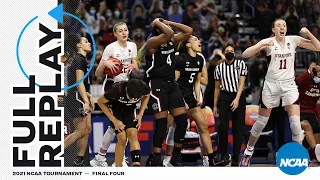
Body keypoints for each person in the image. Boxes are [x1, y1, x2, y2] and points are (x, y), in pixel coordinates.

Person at [240, 19, 320, 166]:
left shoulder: (293, 40)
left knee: (296, 125)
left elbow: (318, 47)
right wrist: (262, 45)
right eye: (279, 25)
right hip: (271, 86)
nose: (282, 27)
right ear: (273, 29)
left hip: (289, 85)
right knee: (261, 123)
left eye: (284, 25)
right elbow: (245, 54)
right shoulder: (269, 42)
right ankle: (248, 152)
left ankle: (298, 157)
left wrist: (308, 33)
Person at [138, 18, 193, 166]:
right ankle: (155, 157)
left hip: (171, 84)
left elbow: (189, 31)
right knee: (162, 125)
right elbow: (168, 33)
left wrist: (170, 22)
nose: (168, 26)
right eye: (165, 25)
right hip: (156, 84)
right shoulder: (152, 42)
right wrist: (156, 21)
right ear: (157, 28)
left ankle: (176, 156)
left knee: (182, 122)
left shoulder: (172, 39)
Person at [163, 35, 224, 167]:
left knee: (203, 125)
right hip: (176, 94)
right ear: (188, 45)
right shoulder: (179, 58)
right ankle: (167, 159)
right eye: (196, 40)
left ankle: (210, 159)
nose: (199, 41)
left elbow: (197, 80)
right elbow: (174, 81)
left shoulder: (199, 59)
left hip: (190, 96)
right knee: (171, 127)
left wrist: (198, 97)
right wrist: (180, 100)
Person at [90, 22, 138, 167]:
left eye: (126, 30)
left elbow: (135, 66)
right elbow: (97, 74)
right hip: (111, 86)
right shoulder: (110, 48)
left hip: (126, 87)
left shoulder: (132, 46)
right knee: (118, 126)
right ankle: (118, 159)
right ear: (115, 34)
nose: (124, 33)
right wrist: (106, 64)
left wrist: (134, 66)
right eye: (121, 31)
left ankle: (100, 157)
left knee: (117, 126)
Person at [97, 79, 150, 166]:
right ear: (126, 91)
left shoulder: (144, 87)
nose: (133, 99)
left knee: (133, 134)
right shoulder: (115, 90)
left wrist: (140, 114)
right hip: (115, 109)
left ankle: (136, 168)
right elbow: (100, 102)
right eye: (131, 98)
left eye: (135, 99)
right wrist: (115, 121)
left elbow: (147, 96)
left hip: (129, 110)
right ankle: (118, 167)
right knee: (122, 138)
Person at [213, 42, 247, 166]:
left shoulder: (241, 64)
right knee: (223, 128)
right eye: (227, 50)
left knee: (238, 129)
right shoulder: (219, 68)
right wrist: (215, 105)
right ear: (224, 52)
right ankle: (223, 153)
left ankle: (236, 156)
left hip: (239, 96)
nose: (229, 52)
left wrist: (237, 99)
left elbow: (241, 84)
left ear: (234, 53)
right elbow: (216, 88)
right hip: (224, 97)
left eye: (231, 51)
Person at [64, 34, 94, 166]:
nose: (89, 44)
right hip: (75, 96)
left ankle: (79, 160)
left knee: (87, 129)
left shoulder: (81, 59)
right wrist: (86, 101)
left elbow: (81, 83)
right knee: (81, 130)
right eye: (86, 41)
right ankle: (55, 151)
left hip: (80, 95)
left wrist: (89, 96)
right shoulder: (78, 59)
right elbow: (78, 82)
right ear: (79, 45)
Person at [296, 62, 320, 162]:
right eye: (318, 73)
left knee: (316, 130)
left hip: (312, 113)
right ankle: (315, 151)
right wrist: (308, 71)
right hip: (299, 112)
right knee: (306, 125)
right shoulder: (306, 81)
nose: (319, 75)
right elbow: (296, 81)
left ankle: (317, 153)